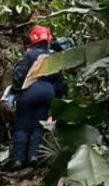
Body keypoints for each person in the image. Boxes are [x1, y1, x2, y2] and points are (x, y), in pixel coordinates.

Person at [7, 25, 68, 170]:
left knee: (22, 126)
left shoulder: (30, 55)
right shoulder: (54, 56)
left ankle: (18, 160)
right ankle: (34, 156)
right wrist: (57, 98)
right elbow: (60, 83)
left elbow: (19, 75)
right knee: (39, 126)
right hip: (48, 93)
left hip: (30, 91)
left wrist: (16, 92)